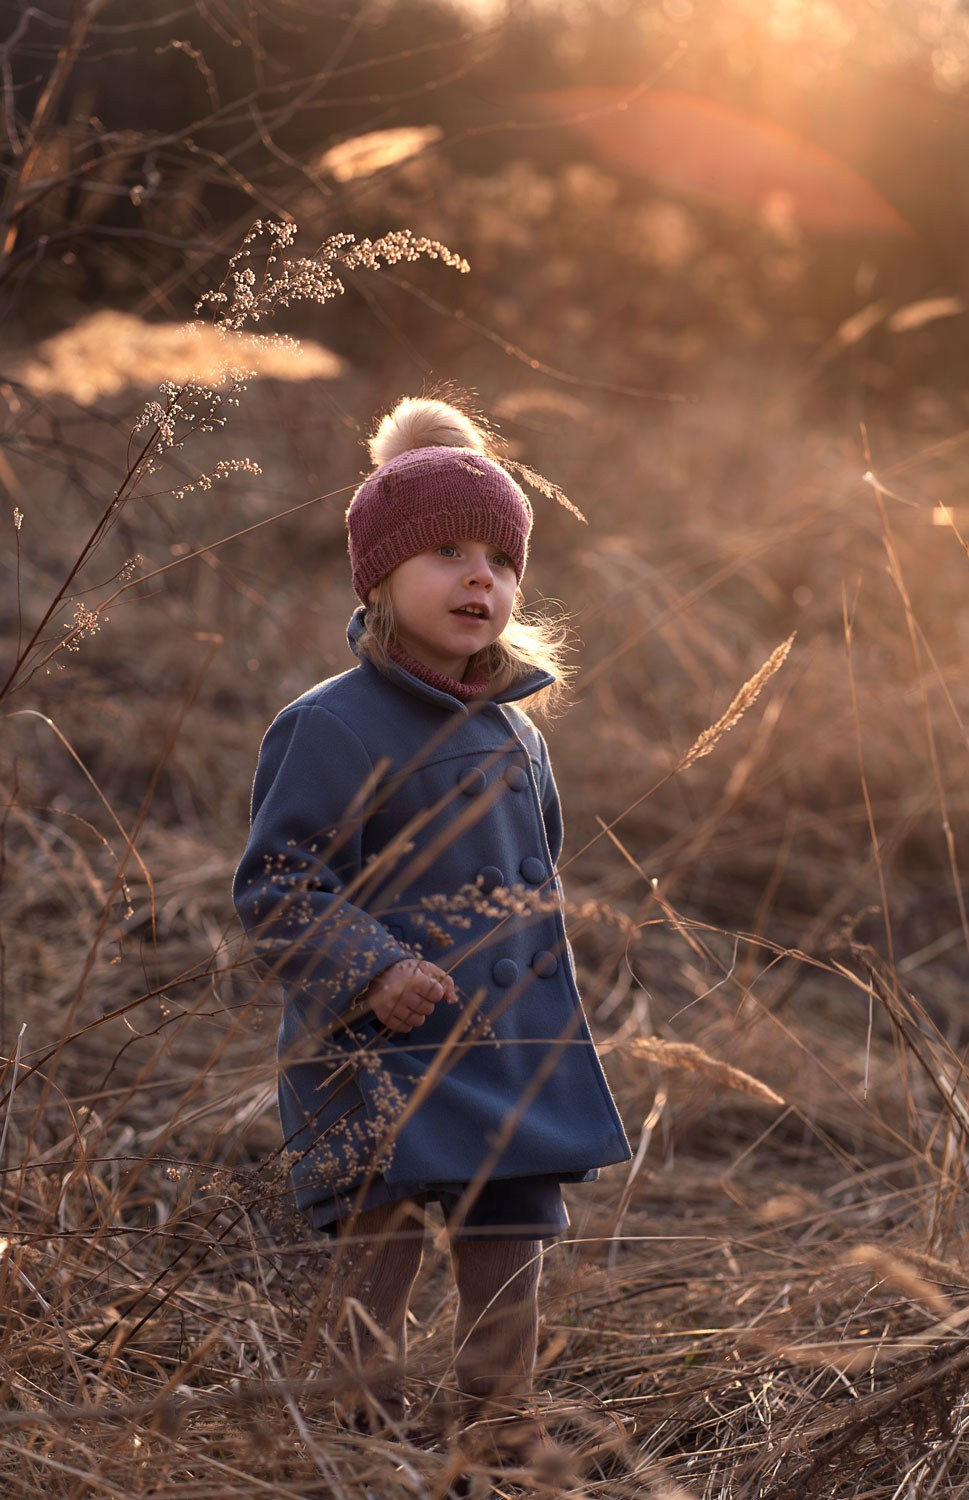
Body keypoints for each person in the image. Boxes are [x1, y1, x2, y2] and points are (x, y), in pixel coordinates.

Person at [233, 395, 631, 1461]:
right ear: (378, 578)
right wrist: (369, 970)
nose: (478, 579)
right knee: (385, 1240)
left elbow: (534, 876)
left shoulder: (518, 735)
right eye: (447, 553)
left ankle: (499, 1432)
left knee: (511, 1239)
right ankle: (359, 1433)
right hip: (386, 1048)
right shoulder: (331, 724)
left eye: (501, 559)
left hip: (507, 1046)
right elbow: (276, 884)